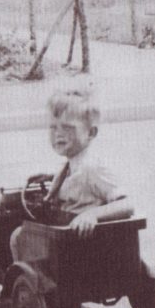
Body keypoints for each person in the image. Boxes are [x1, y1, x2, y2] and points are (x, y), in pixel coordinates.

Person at [10, 87, 134, 259]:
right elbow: (78, 182)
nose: (58, 134)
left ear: (91, 132)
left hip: (79, 247)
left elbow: (127, 204)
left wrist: (91, 215)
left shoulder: (92, 168)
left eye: (68, 128)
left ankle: (24, 284)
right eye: (53, 128)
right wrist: (54, 178)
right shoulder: (73, 164)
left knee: (18, 236)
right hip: (66, 236)